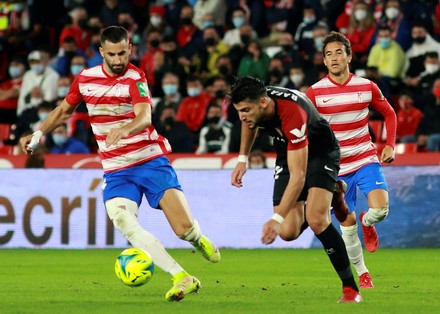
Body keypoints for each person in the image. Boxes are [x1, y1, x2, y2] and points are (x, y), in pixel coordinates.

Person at [19, 26, 220, 302]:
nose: (117, 60)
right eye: (111, 54)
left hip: (149, 160)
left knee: (183, 229)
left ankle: (198, 238)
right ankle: (181, 277)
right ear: (101, 52)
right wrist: (39, 134)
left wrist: (125, 129)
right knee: (124, 221)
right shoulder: (86, 78)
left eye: (122, 53)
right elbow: (64, 110)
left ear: (129, 49)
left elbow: (145, 116)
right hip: (116, 169)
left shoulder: (135, 78)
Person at [230, 76, 362, 303]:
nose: (243, 116)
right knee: (288, 232)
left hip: (320, 152)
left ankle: (350, 289)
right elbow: (248, 123)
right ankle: (333, 195)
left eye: (246, 110)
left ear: (263, 103)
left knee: (316, 219)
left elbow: (299, 176)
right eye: (239, 111)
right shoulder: (257, 103)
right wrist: (243, 158)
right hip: (287, 148)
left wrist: (275, 217)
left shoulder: (292, 114)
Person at [306, 31, 397, 289]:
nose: (333, 58)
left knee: (381, 210)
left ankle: (367, 222)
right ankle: (363, 273)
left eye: (338, 52)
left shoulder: (367, 86)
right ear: (324, 61)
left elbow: (389, 114)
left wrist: (389, 145)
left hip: (365, 158)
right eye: (328, 54)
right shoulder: (314, 93)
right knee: (346, 225)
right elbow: (306, 130)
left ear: (349, 56)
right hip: (335, 167)